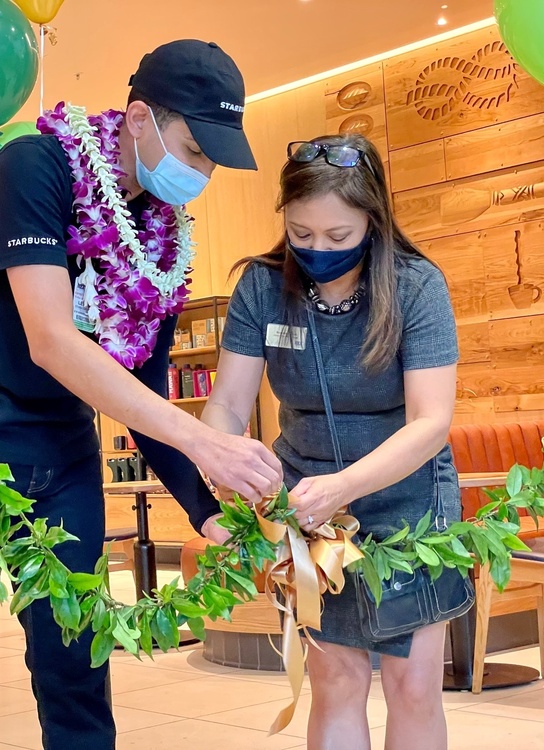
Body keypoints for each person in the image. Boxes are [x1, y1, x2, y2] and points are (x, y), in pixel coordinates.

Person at [0, 40, 283, 750]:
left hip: (61, 445)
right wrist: (207, 442)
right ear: (139, 117)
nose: (200, 172)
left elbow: (144, 388)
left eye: (211, 161)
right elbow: (50, 337)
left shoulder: (161, 240)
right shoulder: (31, 166)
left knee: (76, 655)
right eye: (194, 150)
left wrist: (207, 513)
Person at [201, 133, 459, 750]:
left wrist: (344, 486)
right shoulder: (261, 289)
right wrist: (223, 469)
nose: (318, 249)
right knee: (336, 680)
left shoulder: (417, 286)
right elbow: (228, 405)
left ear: (374, 220)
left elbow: (431, 422)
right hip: (308, 517)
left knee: (413, 686)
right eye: (301, 234)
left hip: (409, 509)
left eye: (339, 237)